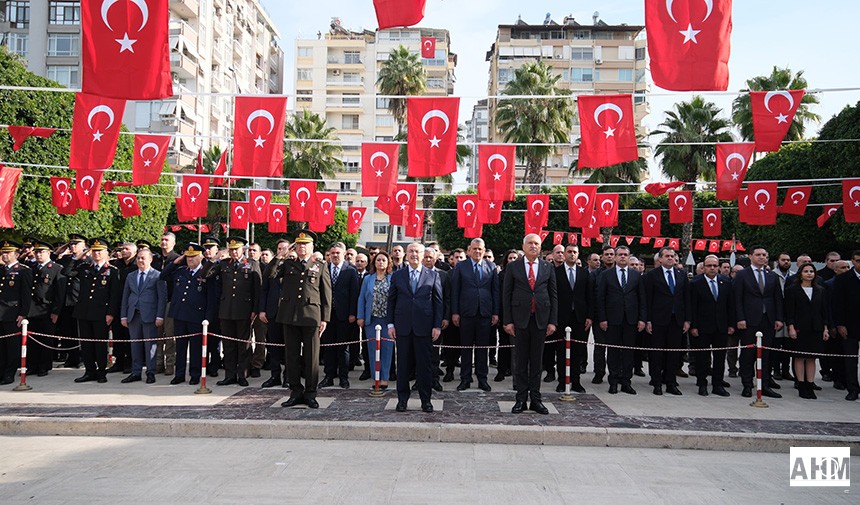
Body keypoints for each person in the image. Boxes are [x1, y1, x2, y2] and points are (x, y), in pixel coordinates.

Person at [503, 234, 558, 415]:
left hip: (540, 320)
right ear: (523, 246)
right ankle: (520, 399)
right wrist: (508, 321)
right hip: (519, 321)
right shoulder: (513, 267)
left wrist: (552, 321)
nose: (533, 246)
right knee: (520, 361)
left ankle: (536, 399)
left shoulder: (547, 267)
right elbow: (507, 295)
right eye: (530, 243)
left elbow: (553, 295)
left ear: (540, 247)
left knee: (536, 362)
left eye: (537, 243)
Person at [278, 230, 331, 409]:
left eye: (305, 244)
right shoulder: (287, 264)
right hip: (290, 315)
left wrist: (325, 318)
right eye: (299, 244)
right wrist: (280, 256)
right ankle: (295, 391)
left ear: (311, 247)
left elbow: (326, 293)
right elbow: (270, 275)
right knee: (291, 356)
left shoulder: (320, 265)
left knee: (311, 357)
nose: (302, 247)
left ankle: (310, 393)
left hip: (311, 316)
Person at [388, 242, 443, 413]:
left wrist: (437, 326)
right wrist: (390, 324)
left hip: (424, 328)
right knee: (403, 366)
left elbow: (438, 302)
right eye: (410, 251)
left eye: (417, 251)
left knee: (424, 367)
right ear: (406, 254)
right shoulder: (398, 275)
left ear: (423, 254)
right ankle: (402, 400)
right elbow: (392, 301)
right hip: (403, 328)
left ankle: (425, 400)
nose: (414, 254)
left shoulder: (432, 275)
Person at [160, 243, 218, 386]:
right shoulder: (181, 271)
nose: (189, 260)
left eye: (193, 257)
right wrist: (175, 262)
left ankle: (194, 374)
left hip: (196, 316)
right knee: (180, 346)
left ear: (200, 257)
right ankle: (179, 374)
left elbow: (211, 298)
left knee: (195, 348)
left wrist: (208, 318)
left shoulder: (206, 272)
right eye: (188, 257)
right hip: (179, 314)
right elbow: (163, 276)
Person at [65, 238, 121, 383]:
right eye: (94, 251)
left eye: (99, 251)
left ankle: (101, 372)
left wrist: (110, 313)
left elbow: (114, 295)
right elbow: (67, 272)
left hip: (101, 313)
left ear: (106, 253)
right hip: (83, 311)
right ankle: (89, 371)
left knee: (100, 344)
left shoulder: (112, 271)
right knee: (86, 344)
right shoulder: (85, 267)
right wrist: (76, 256)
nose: (96, 254)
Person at [734, 245, 784, 399]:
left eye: (764, 255)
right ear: (751, 256)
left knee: (766, 354)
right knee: (748, 354)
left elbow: (778, 299)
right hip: (749, 320)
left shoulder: (772, 276)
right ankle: (747, 385)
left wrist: (779, 318)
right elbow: (737, 299)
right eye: (758, 255)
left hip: (767, 319)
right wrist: (740, 318)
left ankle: (765, 385)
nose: (762, 257)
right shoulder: (742, 275)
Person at [450, 238, 499, 392]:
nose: (478, 251)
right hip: (466, 313)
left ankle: (482, 379)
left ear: (484, 250)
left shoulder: (491, 267)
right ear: (469, 250)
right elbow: (455, 291)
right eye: (475, 249)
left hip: (485, 313)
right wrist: (455, 312)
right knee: (465, 348)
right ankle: (465, 379)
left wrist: (495, 312)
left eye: (480, 249)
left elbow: (495, 291)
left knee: (482, 348)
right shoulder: (461, 267)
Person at [597, 245, 645, 395]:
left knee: (628, 352)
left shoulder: (636, 275)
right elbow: (601, 298)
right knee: (613, 352)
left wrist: (642, 319)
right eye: (620, 254)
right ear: (616, 257)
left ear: (629, 256)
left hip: (631, 320)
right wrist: (602, 318)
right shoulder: (606, 275)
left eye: (625, 254)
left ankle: (626, 382)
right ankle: (613, 381)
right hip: (612, 320)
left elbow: (642, 298)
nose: (623, 257)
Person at [214, 237, 262, 387]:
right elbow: (205, 273)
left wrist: (255, 309)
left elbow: (257, 289)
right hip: (226, 309)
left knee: (243, 345)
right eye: (231, 249)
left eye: (237, 249)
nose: (234, 252)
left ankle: (242, 374)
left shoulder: (252, 264)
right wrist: (215, 258)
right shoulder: (223, 264)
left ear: (243, 250)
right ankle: (230, 375)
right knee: (228, 345)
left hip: (244, 310)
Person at [643, 247, 690, 396]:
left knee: (673, 353)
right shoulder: (652, 275)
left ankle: (671, 382)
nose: (670, 258)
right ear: (660, 259)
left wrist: (687, 320)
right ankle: (657, 383)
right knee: (657, 353)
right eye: (667, 256)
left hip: (676, 320)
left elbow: (686, 299)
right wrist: (648, 320)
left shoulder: (681, 275)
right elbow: (647, 299)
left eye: (673, 256)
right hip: (657, 320)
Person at [120, 248, 167, 384]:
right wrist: (123, 316)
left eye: (143, 258)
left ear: (150, 260)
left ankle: (150, 372)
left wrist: (160, 316)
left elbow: (162, 298)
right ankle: (136, 372)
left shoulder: (158, 275)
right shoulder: (131, 276)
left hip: (150, 315)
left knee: (150, 345)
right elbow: (125, 297)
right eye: (138, 258)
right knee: (135, 345)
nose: (140, 260)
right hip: (133, 315)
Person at [689, 255, 734, 397]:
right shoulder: (695, 283)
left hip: (721, 326)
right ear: (704, 267)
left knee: (720, 357)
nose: (712, 268)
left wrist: (731, 324)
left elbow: (730, 305)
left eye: (715, 265)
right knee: (702, 357)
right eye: (709, 266)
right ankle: (702, 384)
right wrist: (693, 326)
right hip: (702, 327)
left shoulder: (726, 282)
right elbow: (692, 307)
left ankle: (718, 384)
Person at [784, 263, 830, 399]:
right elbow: (789, 311)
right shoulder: (792, 290)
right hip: (799, 327)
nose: (809, 273)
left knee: (811, 357)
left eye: (811, 271)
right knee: (799, 356)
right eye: (806, 271)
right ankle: (801, 385)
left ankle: (810, 384)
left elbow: (824, 311)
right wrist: (791, 327)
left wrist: (825, 328)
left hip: (816, 327)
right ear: (800, 273)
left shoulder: (820, 290)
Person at [319, 242, 359, 389]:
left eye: (337, 253)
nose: (335, 255)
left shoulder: (351, 270)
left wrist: (352, 313)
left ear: (343, 254)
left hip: (344, 314)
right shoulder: (324, 269)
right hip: (327, 315)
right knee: (328, 347)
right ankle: (329, 376)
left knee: (343, 348)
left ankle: (343, 377)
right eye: (332, 253)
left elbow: (354, 293)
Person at [553, 244, 591, 393]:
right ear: (564, 254)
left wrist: (589, 316)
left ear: (578, 254)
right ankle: (562, 381)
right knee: (561, 350)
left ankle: (576, 381)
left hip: (580, 317)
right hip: (561, 317)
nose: (572, 254)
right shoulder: (555, 272)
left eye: (574, 252)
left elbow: (589, 296)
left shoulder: (584, 273)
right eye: (569, 252)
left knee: (578, 351)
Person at [26, 240, 66, 377]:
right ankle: (32, 365)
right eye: (36, 252)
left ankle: (44, 366)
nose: (38, 255)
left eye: (41, 252)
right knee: (32, 340)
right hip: (32, 309)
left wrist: (56, 311)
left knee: (45, 339)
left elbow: (59, 293)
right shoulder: (32, 268)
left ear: (48, 253)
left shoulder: (56, 268)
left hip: (47, 309)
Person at [356, 252, 394, 389]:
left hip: (387, 320)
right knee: (373, 349)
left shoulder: (393, 278)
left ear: (388, 263)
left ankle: (384, 378)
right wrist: (360, 316)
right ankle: (375, 378)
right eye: (378, 260)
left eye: (384, 260)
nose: (381, 263)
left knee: (387, 349)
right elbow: (361, 298)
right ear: (374, 262)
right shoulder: (368, 279)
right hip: (371, 319)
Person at [258, 239, 290, 388]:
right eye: (279, 249)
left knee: (290, 347)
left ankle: (288, 376)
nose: (282, 251)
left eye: (285, 248)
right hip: (273, 312)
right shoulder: (272, 266)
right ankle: (274, 375)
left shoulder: (293, 264)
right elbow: (264, 288)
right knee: (274, 347)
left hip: (289, 313)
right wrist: (262, 310)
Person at [0, 241, 33, 385]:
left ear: (16, 254)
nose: (5, 255)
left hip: (13, 312)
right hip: (0, 312)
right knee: (1, 345)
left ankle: (9, 373)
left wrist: (23, 313)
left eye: (8, 252)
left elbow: (26, 294)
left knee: (12, 345)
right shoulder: (1, 270)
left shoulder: (23, 270)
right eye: (3, 252)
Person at [55, 234, 88, 369]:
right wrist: (62, 249)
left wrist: (77, 259)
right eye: (71, 244)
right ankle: (71, 358)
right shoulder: (66, 258)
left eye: (76, 244)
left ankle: (80, 358)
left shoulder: (87, 260)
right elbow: (53, 258)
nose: (72, 246)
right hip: (66, 300)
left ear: (83, 245)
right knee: (67, 331)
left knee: (78, 332)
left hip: (77, 300)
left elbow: (69, 273)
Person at [832, 250, 860, 401]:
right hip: (850, 325)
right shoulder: (843, 279)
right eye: (857, 260)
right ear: (853, 262)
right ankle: (853, 388)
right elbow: (837, 304)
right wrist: (840, 324)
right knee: (850, 359)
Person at [107, 242, 138, 374]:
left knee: (130, 335)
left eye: (127, 249)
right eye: (122, 249)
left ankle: (130, 362)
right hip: (117, 303)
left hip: (131, 305)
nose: (123, 251)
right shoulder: (115, 265)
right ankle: (118, 361)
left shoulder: (137, 265)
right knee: (117, 334)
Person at [154, 232, 180, 376]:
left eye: (167, 240)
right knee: (157, 335)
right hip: (156, 301)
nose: (164, 242)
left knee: (170, 335)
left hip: (171, 300)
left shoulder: (177, 259)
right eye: (162, 239)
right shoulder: (155, 259)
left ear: (173, 243)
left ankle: (170, 363)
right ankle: (158, 363)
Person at [589, 246, 616, 384]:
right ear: (602, 257)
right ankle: (598, 372)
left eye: (612, 254)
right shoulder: (595, 274)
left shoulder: (619, 272)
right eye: (606, 254)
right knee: (600, 347)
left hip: (616, 317)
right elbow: (593, 296)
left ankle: (615, 374)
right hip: (599, 316)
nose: (609, 257)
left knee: (615, 348)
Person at [494, 249, 520, 382]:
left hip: (519, 315)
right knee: (503, 344)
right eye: (510, 258)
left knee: (516, 346)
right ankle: (501, 371)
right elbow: (498, 296)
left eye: (515, 258)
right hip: (504, 314)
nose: (512, 260)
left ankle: (514, 372)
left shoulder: (521, 274)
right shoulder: (501, 275)